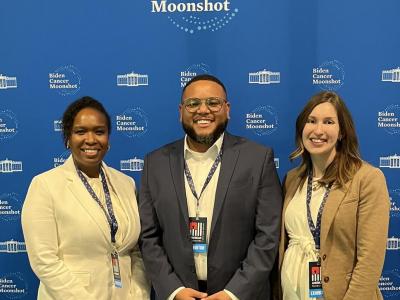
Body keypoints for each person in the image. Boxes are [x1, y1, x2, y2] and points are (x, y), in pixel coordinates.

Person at [139, 74, 282, 300]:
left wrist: (233, 293)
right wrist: (174, 290)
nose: (203, 110)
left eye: (213, 103)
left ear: (227, 109)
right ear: (181, 111)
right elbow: (148, 237)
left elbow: (268, 236)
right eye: (193, 103)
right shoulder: (154, 163)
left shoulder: (258, 158)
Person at [21, 96, 150, 300]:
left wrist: (138, 294)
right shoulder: (45, 185)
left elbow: (136, 252)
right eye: (80, 131)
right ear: (67, 138)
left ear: (108, 138)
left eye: (99, 131)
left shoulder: (126, 183)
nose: (91, 139)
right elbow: (44, 261)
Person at [278, 91, 390, 300]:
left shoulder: (367, 178)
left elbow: (370, 261)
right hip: (292, 291)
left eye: (328, 122)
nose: (318, 130)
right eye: (311, 121)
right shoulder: (292, 179)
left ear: (341, 132)